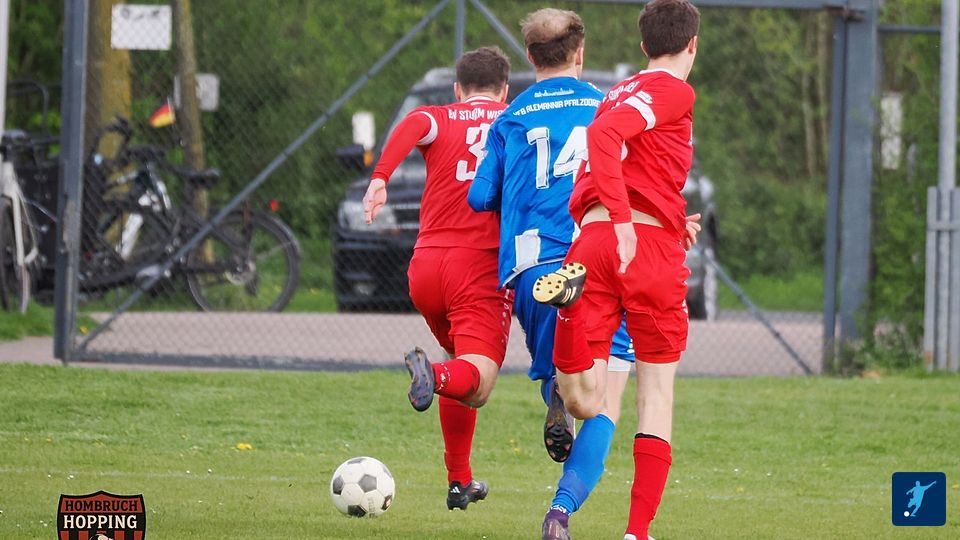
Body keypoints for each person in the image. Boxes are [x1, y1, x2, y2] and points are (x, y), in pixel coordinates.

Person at [531, 1, 702, 538]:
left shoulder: (616, 91)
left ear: (644, 46)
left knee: (585, 400)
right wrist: (631, 222)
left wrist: (667, 218)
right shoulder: (675, 90)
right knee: (656, 395)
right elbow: (606, 140)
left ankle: (565, 312)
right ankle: (636, 532)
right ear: (692, 44)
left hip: (591, 244)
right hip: (639, 247)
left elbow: (629, 160)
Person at [467, 9, 636, 539]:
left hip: (532, 267)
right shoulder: (608, 107)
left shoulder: (510, 117)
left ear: (529, 57)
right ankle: (560, 512)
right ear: (580, 53)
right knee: (603, 402)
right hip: (595, 261)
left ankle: (556, 398)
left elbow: (479, 197)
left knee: (562, 373)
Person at [361, 46, 511, 511]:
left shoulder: (440, 116)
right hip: (477, 267)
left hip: (426, 267)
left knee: (457, 361)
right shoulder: (514, 119)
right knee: (477, 382)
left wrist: (380, 176)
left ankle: (459, 481)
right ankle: (435, 373)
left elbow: (414, 124)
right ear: (505, 89)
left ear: (458, 89)